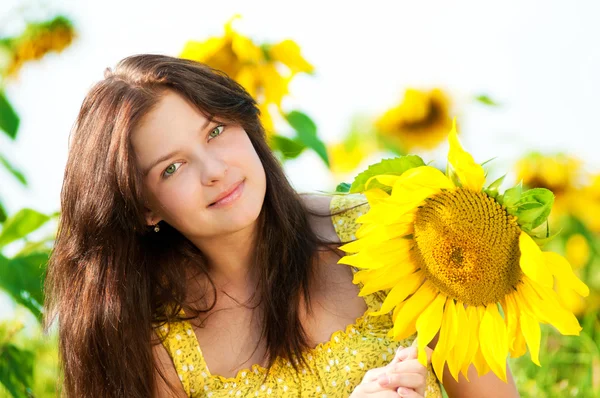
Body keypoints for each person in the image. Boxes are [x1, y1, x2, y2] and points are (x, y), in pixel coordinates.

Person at [43, 54, 519, 398]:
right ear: (145, 207)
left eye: (215, 130)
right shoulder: (155, 341)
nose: (213, 169)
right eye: (172, 167)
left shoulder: (392, 233)